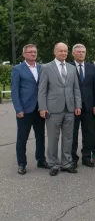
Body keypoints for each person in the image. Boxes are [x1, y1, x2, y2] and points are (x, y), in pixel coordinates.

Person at [38, 43, 82, 176]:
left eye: (65, 51)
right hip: (52, 109)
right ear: (54, 52)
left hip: (69, 108)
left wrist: (78, 105)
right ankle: (53, 164)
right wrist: (42, 107)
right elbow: (42, 90)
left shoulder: (72, 68)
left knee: (68, 137)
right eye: (60, 51)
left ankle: (66, 163)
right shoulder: (46, 68)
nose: (63, 53)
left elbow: (76, 89)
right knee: (53, 138)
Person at [11, 44, 49, 175]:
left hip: (40, 109)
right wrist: (18, 109)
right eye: (30, 52)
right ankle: (22, 164)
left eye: (35, 52)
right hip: (25, 110)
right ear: (24, 54)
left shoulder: (41, 68)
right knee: (22, 138)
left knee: (40, 137)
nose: (33, 54)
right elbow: (14, 91)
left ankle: (41, 160)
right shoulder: (17, 69)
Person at [70, 44, 95, 168]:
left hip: (89, 106)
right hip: (73, 107)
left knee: (88, 133)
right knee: (73, 134)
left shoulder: (91, 67)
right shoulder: (68, 67)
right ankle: (72, 159)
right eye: (79, 52)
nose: (82, 54)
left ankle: (86, 157)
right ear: (73, 53)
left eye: (83, 52)